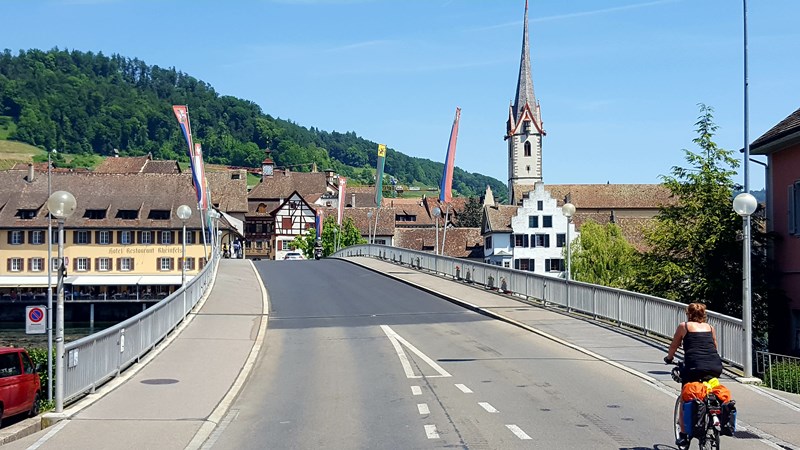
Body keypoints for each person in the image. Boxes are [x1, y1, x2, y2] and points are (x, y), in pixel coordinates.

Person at [664, 302, 723, 446]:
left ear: (689, 314)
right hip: (715, 366)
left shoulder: (684, 327)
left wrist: (669, 358)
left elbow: (674, 345)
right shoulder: (710, 328)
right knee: (711, 389)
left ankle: (684, 435)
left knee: (686, 397)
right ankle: (712, 413)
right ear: (704, 314)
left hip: (694, 368)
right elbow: (714, 347)